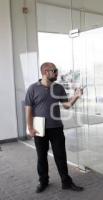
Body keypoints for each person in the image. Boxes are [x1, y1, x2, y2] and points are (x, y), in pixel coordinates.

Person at [25, 62, 84, 193]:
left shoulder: (58, 88)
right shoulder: (33, 88)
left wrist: (76, 96)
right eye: (55, 70)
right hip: (40, 129)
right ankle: (43, 181)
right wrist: (30, 128)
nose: (57, 73)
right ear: (46, 72)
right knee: (41, 156)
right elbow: (28, 110)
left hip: (56, 128)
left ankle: (66, 182)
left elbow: (67, 105)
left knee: (60, 156)